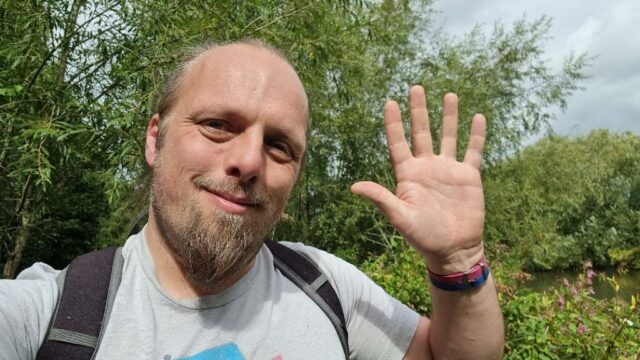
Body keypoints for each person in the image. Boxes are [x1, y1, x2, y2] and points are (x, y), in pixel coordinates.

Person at [0, 39, 504, 359]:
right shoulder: (48, 316)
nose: (249, 161)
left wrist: (458, 261)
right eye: (218, 125)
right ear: (155, 138)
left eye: (279, 146)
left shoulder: (327, 290)